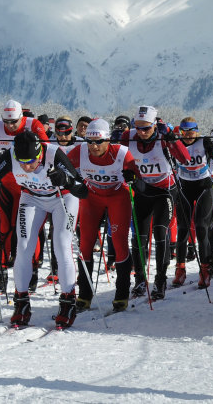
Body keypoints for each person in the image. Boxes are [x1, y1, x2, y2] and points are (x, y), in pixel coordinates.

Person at [0, 129, 89, 328]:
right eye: (22, 163)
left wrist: (66, 180)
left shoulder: (54, 154)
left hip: (62, 198)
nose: (27, 167)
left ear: (40, 154)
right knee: (24, 246)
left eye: (31, 162)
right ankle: (21, 303)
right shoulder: (11, 155)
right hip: (32, 197)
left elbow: (83, 190)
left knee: (61, 246)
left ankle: (68, 301)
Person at [67, 118, 137, 312]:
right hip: (92, 197)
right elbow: (61, 164)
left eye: (98, 142)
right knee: (86, 244)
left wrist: (132, 175)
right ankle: (84, 295)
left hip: (117, 197)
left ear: (108, 140)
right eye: (90, 141)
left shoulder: (121, 152)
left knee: (119, 241)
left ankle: (122, 293)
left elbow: (135, 172)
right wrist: (71, 181)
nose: (94, 146)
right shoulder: (80, 151)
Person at [121, 105, 188, 300]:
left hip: (165, 191)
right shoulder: (128, 137)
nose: (141, 132)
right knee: (139, 238)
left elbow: (185, 158)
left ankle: (160, 280)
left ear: (155, 125)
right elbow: (116, 155)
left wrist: (172, 139)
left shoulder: (163, 137)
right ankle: (140, 280)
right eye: (137, 127)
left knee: (160, 233)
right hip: (143, 191)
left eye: (146, 128)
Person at [0, 100, 50, 293]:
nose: (10, 126)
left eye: (14, 121)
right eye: (7, 121)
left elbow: (46, 150)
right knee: (4, 230)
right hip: (6, 185)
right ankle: (2, 272)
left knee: (29, 232)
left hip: (29, 187)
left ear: (21, 117)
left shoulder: (34, 125)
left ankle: (32, 271)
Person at [171, 117, 213, 288]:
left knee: (201, 227)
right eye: (184, 132)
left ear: (197, 130)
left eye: (191, 132)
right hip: (185, 188)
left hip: (204, 187)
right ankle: (180, 269)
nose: (187, 135)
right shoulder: (177, 143)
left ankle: (205, 269)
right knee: (183, 229)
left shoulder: (204, 141)